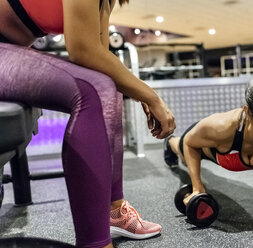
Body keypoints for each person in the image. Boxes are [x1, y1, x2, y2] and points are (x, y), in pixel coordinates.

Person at [0, 0, 175, 247]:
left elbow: (98, 55)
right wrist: (148, 94)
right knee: (94, 91)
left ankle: (115, 212)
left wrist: (135, 89)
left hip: (9, 49)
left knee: (108, 88)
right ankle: (96, 243)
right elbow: (82, 49)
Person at [164, 66, 253, 205]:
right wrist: (198, 188)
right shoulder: (221, 128)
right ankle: (170, 143)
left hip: (224, 148)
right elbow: (189, 143)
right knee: (180, 149)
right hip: (200, 143)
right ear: (249, 113)